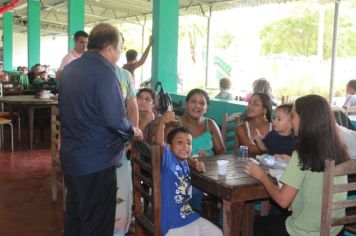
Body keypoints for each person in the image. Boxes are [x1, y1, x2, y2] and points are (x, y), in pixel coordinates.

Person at [59, 23, 142, 236]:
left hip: (72, 158)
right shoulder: (106, 74)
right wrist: (132, 131)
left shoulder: (70, 69)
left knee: (75, 217)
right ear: (109, 48)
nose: (120, 53)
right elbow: (115, 119)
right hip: (96, 162)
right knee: (97, 223)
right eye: (120, 48)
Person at [245, 94, 349, 236]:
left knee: (259, 224)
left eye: (294, 116)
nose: (292, 121)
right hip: (335, 231)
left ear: (305, 120)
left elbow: (282, 201)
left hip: (305, 232)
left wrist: (261, 176)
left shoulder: (302, 154)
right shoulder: (338, 151)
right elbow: (315, 187)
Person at [155, 110, 223, 236]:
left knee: (217, 233)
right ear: (169, 147)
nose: (185, 146)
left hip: (189, 216)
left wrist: (195, 163)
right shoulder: (168, 162)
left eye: (189, 143)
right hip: (173, 223)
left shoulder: (185, 162)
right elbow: (159, 145)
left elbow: (188, 157)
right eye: (179, 142)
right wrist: (162, 123)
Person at [114, 34, 139, 236]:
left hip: (120, 146)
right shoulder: (84, 71)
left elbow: (133, 107)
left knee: (121, 193)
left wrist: (132, 136)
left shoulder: (124, 75)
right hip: (93, 149)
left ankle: (118, 231)